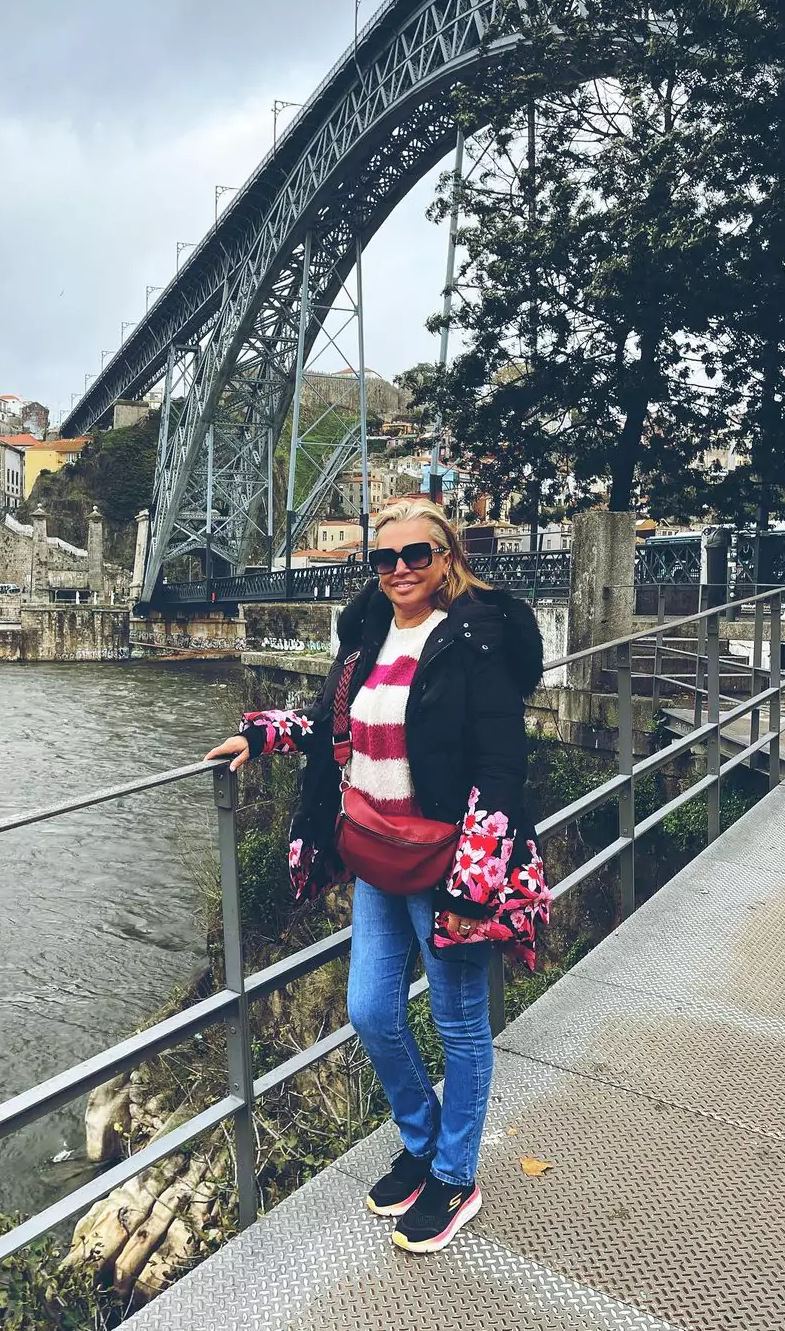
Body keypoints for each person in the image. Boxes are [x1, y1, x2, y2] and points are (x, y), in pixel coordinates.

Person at [206, 498, 550, 1254]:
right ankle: (422, 1142)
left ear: (447, 555)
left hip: (449, 862)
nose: (399, 570)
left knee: (459, 1024)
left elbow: (500, 767)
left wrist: (470, 887)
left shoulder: (477, 637)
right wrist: (262, 734)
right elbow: (340, 721)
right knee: (369, 1011)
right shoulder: (367, 630)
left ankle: (457, 1177)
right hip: (375, 852)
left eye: (415, 555)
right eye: (383, 559)